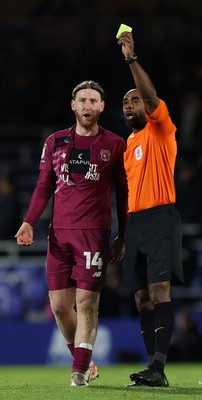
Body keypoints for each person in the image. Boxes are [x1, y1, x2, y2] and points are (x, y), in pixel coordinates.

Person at [15, 80, 128, 386]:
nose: (88, 105)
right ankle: (86, 361)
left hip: (93, 234)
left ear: (102, 107)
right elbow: (43, 187)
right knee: (60, 308)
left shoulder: (115, 144)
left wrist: (123, 233)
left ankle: (78, 372)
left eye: (94, 101)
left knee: (87, 303)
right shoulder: (54, 142)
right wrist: (29, 221)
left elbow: (123, 190)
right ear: (73, 105)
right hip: (58, 235)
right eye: (83, 100)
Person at [117, 31, 184, 387]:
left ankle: (158, 368)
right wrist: (123, 235)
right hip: (137, 223)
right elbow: (128, 194)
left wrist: (131, 60)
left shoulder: (161, 129)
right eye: (125, 103)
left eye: (134, 101)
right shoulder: (129, 144)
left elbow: (151, 95)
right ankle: (150, 368)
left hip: (161, 218)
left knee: (159, 293)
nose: (129, 105)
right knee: (142, 298)